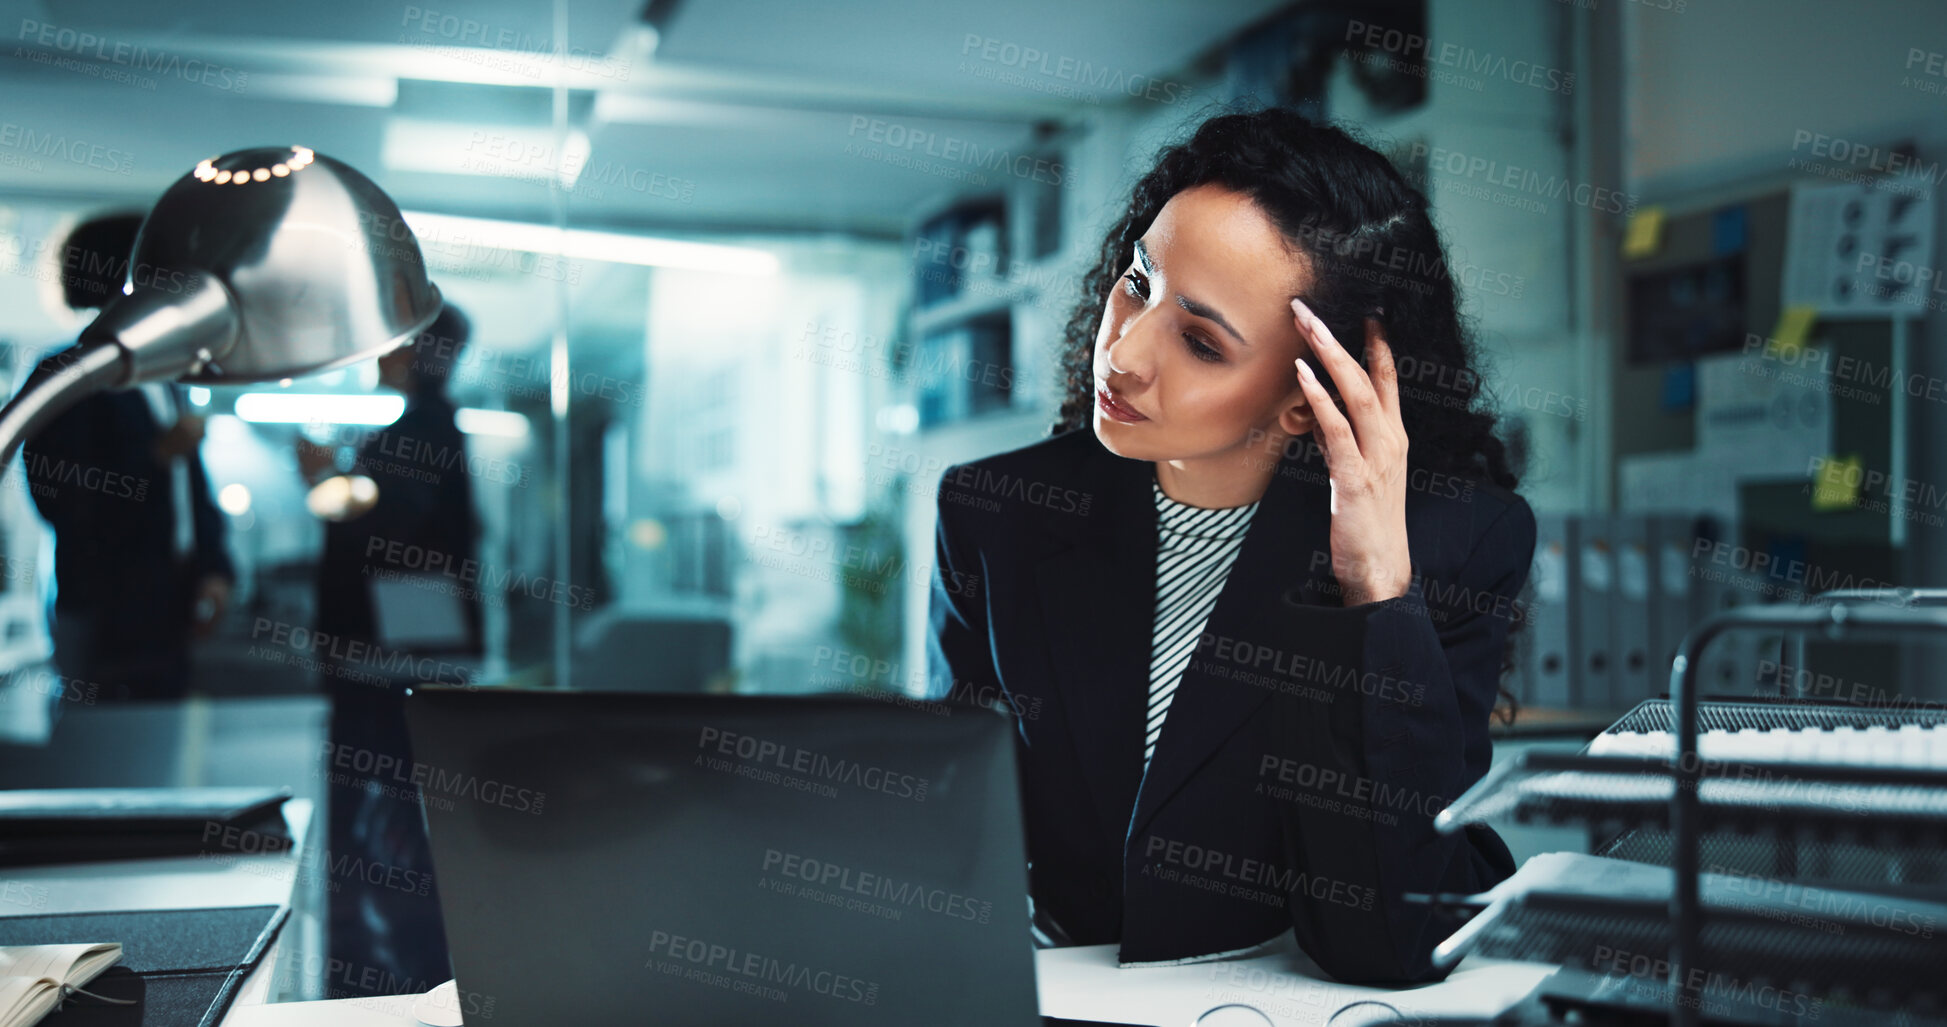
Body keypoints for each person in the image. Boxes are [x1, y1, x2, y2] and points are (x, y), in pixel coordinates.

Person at [924, 107, 1534, 985]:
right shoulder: (998, 511)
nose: (1124, 353)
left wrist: (1372, 590)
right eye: (1137, 281)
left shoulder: (1454, 542)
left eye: (1201, 342)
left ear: (1305, 398)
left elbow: (1393, 939)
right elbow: (955, 834)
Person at [295, 300, 481, 997]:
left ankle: (392, 976)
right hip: (395, 658)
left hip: (390, 664)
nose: (379, 356)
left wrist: (323, 478)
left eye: (393, 344)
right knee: (393, 813)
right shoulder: (422, 429)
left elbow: (383, 531)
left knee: (384, 816)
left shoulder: (422, 431)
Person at [22, 212, 234, 702]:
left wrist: (214, 568)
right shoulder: (67, 372)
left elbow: (191, 489)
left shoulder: (167, 372)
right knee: (103, 754)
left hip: (170, 605)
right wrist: (153, 456)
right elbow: (62, 499)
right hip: (105, 609)